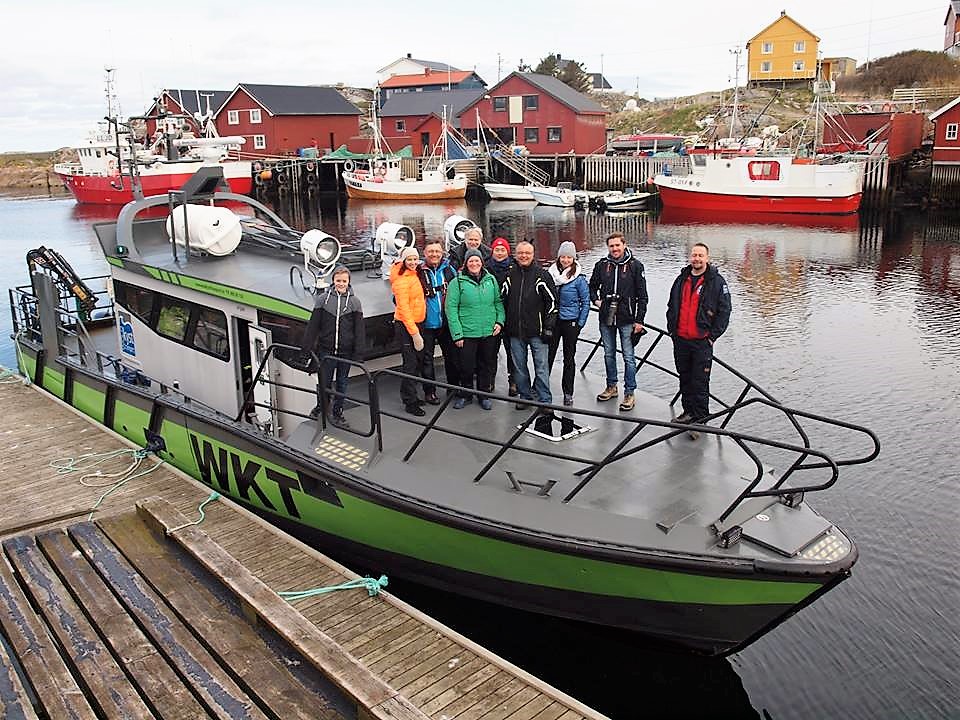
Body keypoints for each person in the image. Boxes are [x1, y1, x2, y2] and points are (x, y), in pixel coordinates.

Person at [666, 242, 731, 427]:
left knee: (700, 382)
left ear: (707, 258)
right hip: (681, 339)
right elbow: (672, 305)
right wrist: (672, 330)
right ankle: (687, 412)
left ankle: (701, 420)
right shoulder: (681, 279)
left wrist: (712, 337)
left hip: (702, 341)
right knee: (684, 377)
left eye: (700, 256)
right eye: (694, 255)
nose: (697, 259)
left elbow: (725, 311)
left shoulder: (716, 282)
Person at [588, 232, 648, 412]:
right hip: (606, 318)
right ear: (608, 247)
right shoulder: (601, 265)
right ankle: (611, 386)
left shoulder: (635, 266)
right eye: (611, 246)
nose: (615, 249)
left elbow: (642, 296)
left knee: (629, 357)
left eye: (617, 245)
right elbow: (591, 286)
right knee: (608, 354)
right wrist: (596, 301)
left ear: (624, 245)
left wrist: (640, 320)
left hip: (627, 319)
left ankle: (629, 392)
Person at [300, 266, 365, 428]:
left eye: (344, 281)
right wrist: (306, 349)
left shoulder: (354, 302)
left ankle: (338, 411)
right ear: (333, 281)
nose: (341, 284)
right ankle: (321, 407)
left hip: (346, 352)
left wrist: (359, 353)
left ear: (349, 282)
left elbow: (359, 330)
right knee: (324, 381)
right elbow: (313, 326)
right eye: (338, 280)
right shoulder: (322, 300)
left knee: (342, 383)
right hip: (326, 351)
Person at [445, 249, 505, 410]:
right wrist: (457, 334)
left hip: (488, 331)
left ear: (482, 263)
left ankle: (483, 394)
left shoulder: (490, 280)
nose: (474, 264)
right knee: (466, 366)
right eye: (471, 261)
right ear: (466, 263)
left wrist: (499, 321)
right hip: (467, 332)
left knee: (485, 364)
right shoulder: (457, 283)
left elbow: (498, 302)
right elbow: (451, 308)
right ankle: (466, 394)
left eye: (477, 261)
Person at [502, 240, 558, 408]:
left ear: (533, 255)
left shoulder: (542, 275)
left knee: (541, 368)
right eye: (520, 253)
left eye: (527, 253)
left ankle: (545, 401)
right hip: (515, 331)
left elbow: (553, 302)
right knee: (519, 368)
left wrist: (548, 327)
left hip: (538, 331)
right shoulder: (510, 275)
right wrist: (504, 323)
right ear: (516, 255)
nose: (524, 256)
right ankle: (525, 396)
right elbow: (501, 300)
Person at [547, 241, 590, 406]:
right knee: (548, 355)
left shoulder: (578, 279)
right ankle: (540, 386)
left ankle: (568, 392)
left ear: (574, 258)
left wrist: (580, 324)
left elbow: (585, 302)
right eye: (563, 256)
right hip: (553, 321)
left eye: (569, 257)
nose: (565, 260)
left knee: (569, 358)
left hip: (570, 322)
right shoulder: (550, 274)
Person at [419, 239, 459, 403]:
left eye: (437, 251)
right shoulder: (419, 272)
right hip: (427, 323)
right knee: (426, 359)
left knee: (452, 356)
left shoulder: (449, 270)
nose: (434, 254)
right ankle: (430, 391)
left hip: (446, 321)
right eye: (431, 252)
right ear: (425, 254)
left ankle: (454, 388)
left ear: (442, 252)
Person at [390, 246, 427, 416]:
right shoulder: (401, 280)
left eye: (415, 259)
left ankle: (411, 394)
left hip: (417, 323)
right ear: (403, 261)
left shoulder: (414, 275)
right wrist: (414, 333)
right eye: (409, 259)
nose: (412, 262)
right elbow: (403, 308)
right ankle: (409, 401)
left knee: (417, 361)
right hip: (406, 326)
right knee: (410, 363)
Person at [485, 236, 517, 396]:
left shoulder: (515, 267)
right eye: (496, 249)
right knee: (491, 351)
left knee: (512, 351)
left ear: (507, 251)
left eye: (502, 249)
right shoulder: (484, 267)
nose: (499, 252)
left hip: (510, 315)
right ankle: (490, 380)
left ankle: (514, 381)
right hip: (491, 315)